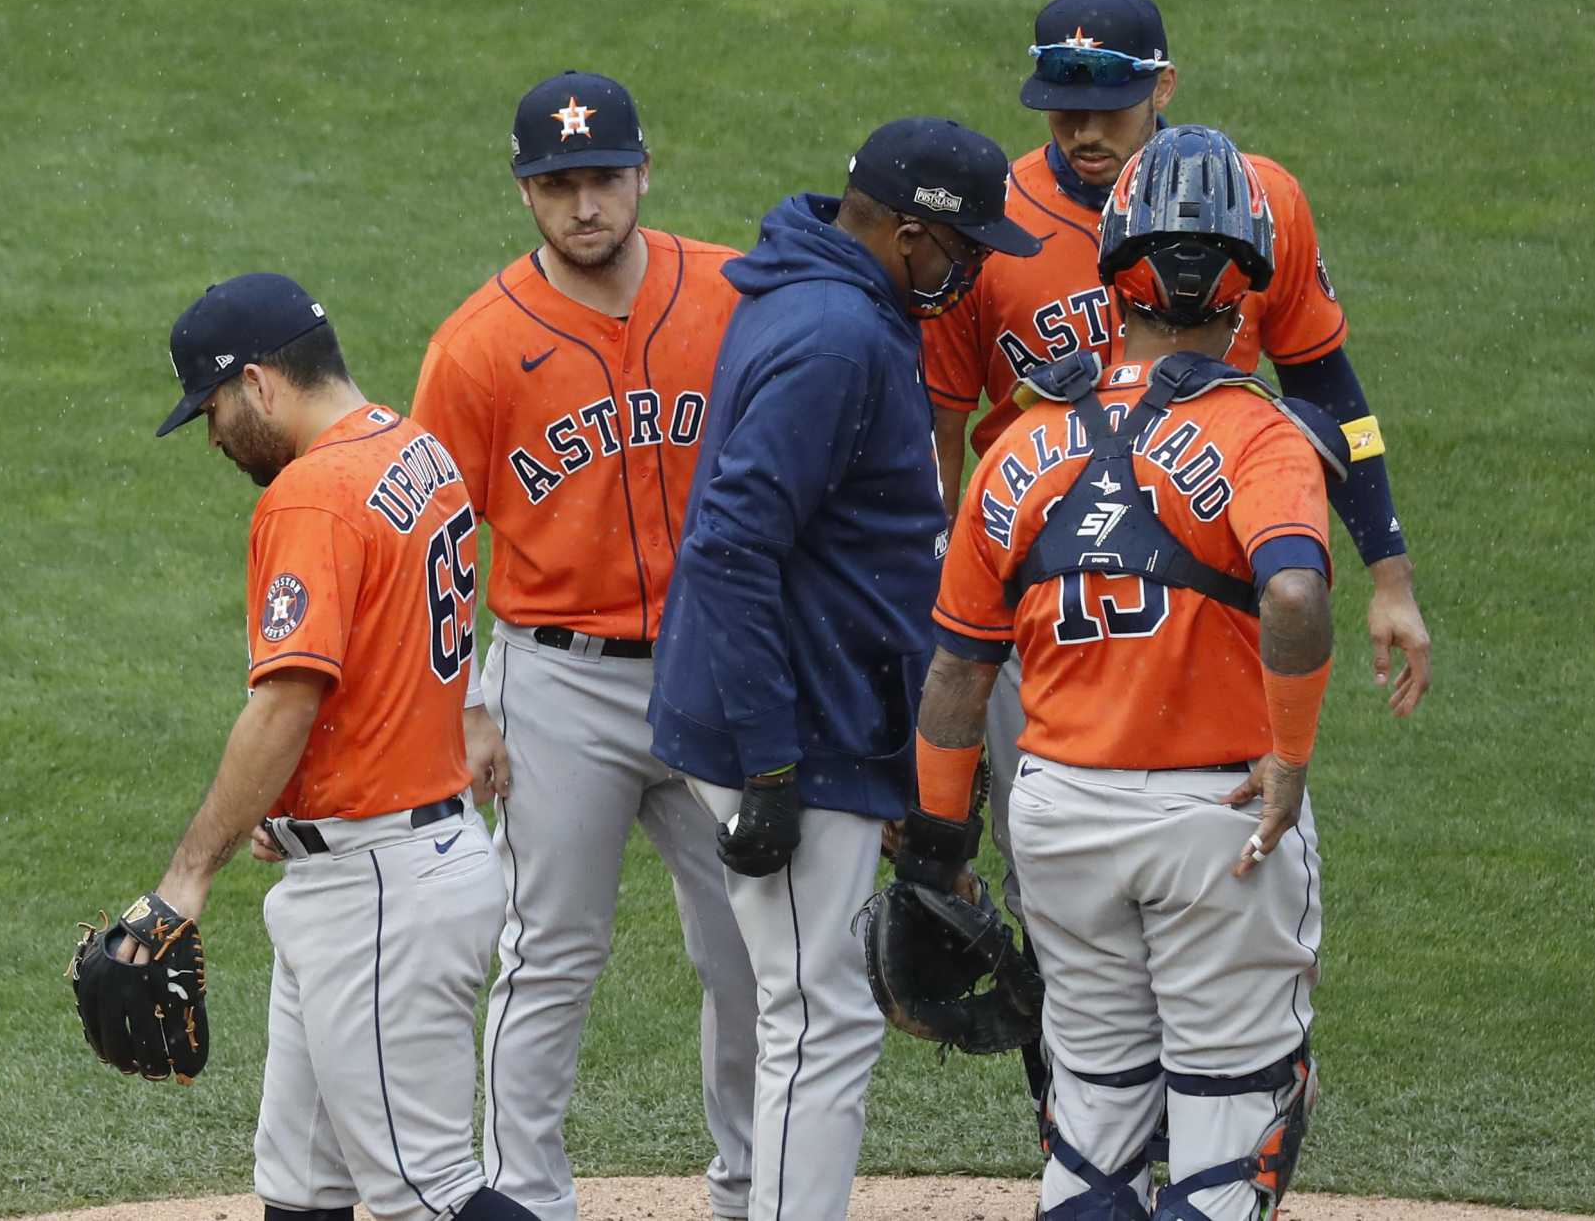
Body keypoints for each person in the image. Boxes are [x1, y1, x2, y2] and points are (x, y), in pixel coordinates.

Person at [921, 0, 1430, 927]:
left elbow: (1330, 390)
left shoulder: (1260, 199)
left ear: (1164, 86)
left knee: (1230, 848)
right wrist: (941, 597)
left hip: (1215, 605)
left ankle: (1232, 1061)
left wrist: (1389, 572)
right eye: (1061, 108)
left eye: (1106, 107)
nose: (1083, 131)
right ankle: (1072, 1080)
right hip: (1041, 595)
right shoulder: (989, 227)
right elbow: (941, 430)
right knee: (1049, 885)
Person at [899, 125, 1336, 1220]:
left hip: (1058, 815)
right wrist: (1287, 756)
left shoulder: (1021, 443)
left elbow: (955, 675)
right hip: (1214, 821)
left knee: (1092, 1126)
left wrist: (939, 849)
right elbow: (1291, 595)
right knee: (1232, 1127)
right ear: (1249, 279)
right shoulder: (1259, 438)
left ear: (1109, 271)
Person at [648, 117, 1042, 1221]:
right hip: (783, 727)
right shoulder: (836, 339)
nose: (970, 279)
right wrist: (770, 769)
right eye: (963, 254)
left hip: (819, 712)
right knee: (817, 1014)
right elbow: (729, 546)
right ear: (909, 237)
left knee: (810, 1008)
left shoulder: (831, 299)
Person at [410, 71, 758, 1221]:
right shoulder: (475, 347)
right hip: (558, 684)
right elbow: (437, 543)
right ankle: (525, 1201)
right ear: (525, 194)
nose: (584, 204)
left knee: (751, 956)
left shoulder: (732, 295)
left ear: (643, 172)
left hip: (717, 672)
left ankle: (756, 1188)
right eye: (558, 184)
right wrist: (459, 706)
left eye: (603, 176)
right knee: (549, 956)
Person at [139, 273, 535, 1221]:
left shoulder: (311, 496)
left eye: (216, 406)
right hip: (379, 866)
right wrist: (295, 804)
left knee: (428, 1195)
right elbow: (386, 652)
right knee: (302, 1187)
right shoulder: (413, 448)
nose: (215, 435)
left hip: (382, 891)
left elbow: (285, 703)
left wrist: (186, 879)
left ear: (261, 383)